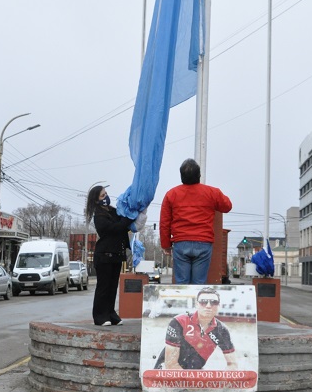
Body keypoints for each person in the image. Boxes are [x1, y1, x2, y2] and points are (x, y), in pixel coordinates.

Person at [160, 158, 232, 284]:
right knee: (199, 284)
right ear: (199, 175)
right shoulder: (212, 192)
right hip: (203, 243)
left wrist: (166, 245)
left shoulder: (171, 194)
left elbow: (164, 222)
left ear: (181, 176)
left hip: (181, 243)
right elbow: (227, 206)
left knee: (182, 284)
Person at [85, 185, 146, 326]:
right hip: (104, 256)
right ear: (96, 200)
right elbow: (115, 228)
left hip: (117, 254)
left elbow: (123, 221)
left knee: (112, 287)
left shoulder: (113, 211)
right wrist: (127, 220)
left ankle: (111, 313)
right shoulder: (99, 216)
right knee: (103, 287)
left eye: (106, 194)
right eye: (102, 195)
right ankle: (100, 316)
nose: (106, 197)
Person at [154, 288, 238, 370]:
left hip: (194, 374)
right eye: (203, 302)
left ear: (219, 305)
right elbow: (170, 364)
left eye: (214, 302)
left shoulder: (222, 330)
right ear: (196, 304)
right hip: (166, 373)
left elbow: (232, 364)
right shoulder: (179, 322)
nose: (208, 306)